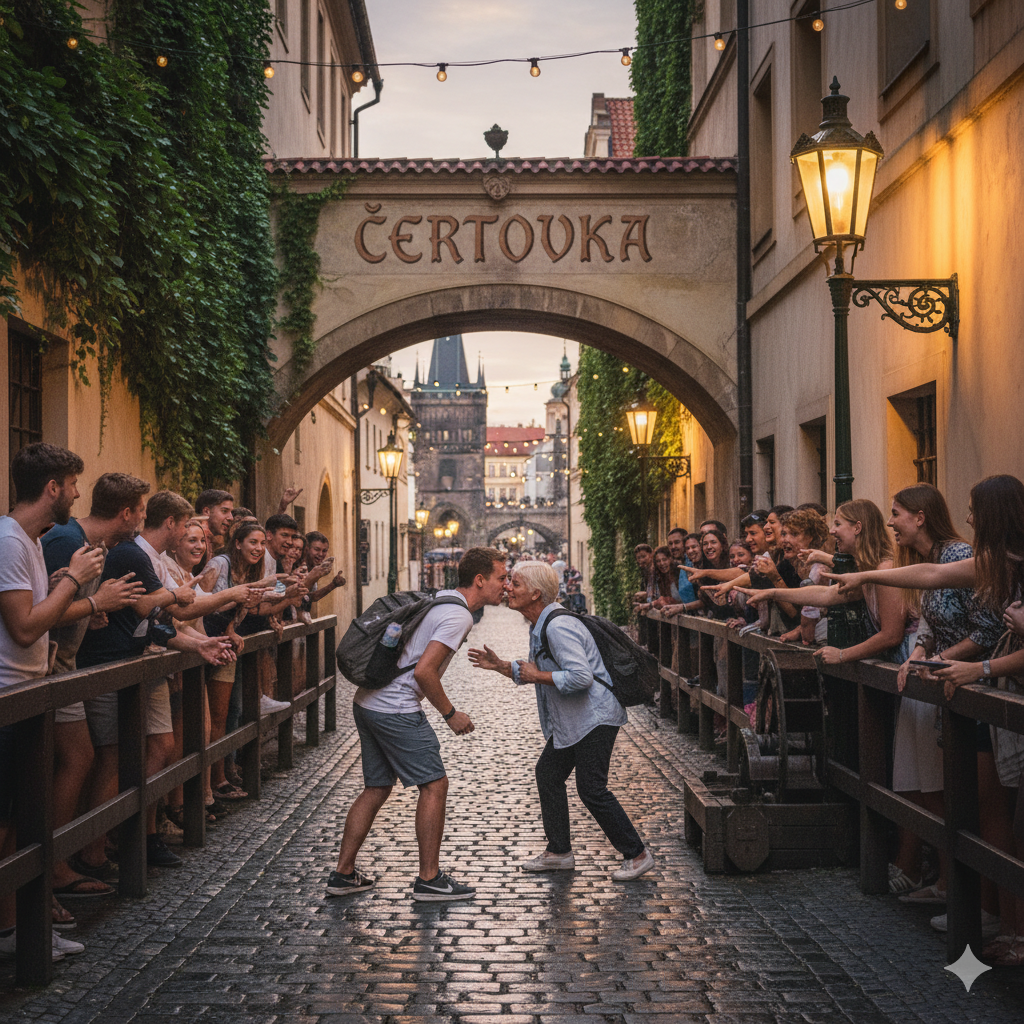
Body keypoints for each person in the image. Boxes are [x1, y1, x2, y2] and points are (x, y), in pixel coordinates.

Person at [828, 476, 1024, 962]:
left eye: (977, 508)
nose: (971, 516)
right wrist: (869, 577)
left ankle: (1014, 928)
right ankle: (998, 916)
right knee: (986, 811)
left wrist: (980, 666)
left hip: (1003, 694)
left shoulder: (999, 564)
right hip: (996, 690)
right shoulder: (993, 564)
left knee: (1002, 817)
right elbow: (932, 576)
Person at [326, 547, 508, 902]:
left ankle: (343, 875)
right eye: (501, 578)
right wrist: (450, 713)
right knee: (435, 785)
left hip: (368, 700)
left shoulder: (441, 600)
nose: (506, 584)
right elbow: (425, 671)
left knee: (377, 788)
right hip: (395, 708)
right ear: (480, 580)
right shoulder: (460, 617)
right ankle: (429, 879)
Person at [76, 491, 236, 869]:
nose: (188, 535)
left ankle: (135, 834)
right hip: (114, 664)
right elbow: (154, 609)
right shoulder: (135, 553)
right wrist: (186, 598)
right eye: (185, 527)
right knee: (113, 756)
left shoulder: (143, 555)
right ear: (171, 524)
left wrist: (198, 645)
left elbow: (156, 622)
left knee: (155, 749)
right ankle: (105, 844)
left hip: (138, 662)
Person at [468, 561, 654, 880]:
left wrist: (537, 675)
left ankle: (636, 854)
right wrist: (501, 666)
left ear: (536, 594)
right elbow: (542, 669)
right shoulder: (541, 623)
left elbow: (580, 677)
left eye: (516, 584)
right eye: (509, 582)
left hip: (595, 717)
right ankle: (559, 852)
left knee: (591, 788)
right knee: (549, 774)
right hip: (574, 721)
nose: (509, 588)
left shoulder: (557, 626)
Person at [0, 442, 104, 962]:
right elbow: (23, 628)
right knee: (7, 821)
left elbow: (40, 616)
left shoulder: (30, 540)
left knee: (23, 817)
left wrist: (82, 599)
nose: (79, 494)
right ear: (52, 488)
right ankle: (13, 934)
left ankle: (20, 929)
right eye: (74, 483)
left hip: (27, 693)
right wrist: (77, 582)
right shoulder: (10, 542)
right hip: (7, 698)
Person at [42, 473, 151, 897]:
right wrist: (94, 604)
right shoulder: (67, 541)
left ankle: (56, 866)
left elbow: (64, 605)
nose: (141, 521)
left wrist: (91, 612)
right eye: (140, 512)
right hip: (48, 670)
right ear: (125, 513)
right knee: (75, 759)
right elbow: (42, 610)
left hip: (63, 667)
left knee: (79, 758)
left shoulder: (93, 546)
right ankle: (51, 870)